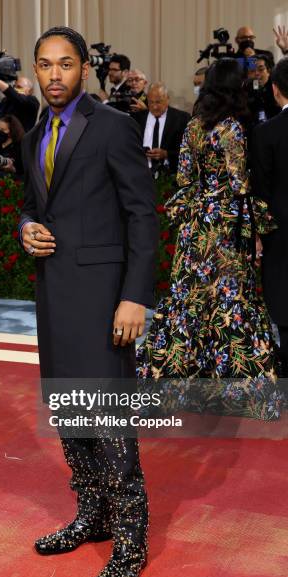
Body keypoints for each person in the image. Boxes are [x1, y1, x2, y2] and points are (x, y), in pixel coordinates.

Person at [18, 26, 158, 577]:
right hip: (54, 295)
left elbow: (142, 216)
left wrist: (135, 295)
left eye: (66, 64)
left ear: (83, 69)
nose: (55, 75)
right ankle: (93, 515)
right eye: (46, 65)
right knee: (70, 414)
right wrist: (25, 228)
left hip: (104, 299)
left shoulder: (114, 127)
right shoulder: (32, 136)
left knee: (108, 419)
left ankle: (131, 538)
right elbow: (29, 206)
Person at [137, 58, 281, 420]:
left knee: (190, 300)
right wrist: (255, 230)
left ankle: (176, 385)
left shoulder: (192, 127)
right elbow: (239, 184)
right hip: (224, 225)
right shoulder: (231, 128)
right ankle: (235, 390)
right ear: (235, 87)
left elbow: (184, 178)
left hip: (194, 224)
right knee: (230, 303)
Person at [251, 57, 288, 377]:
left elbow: (259, 193)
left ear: (275, 90)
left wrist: (258, 236)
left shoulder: (266, 133)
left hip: (281, 236)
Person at [136, 82, 190, 176]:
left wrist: (167, 154)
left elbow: (188, 150)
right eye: (151, 102)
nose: (154, 106)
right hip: (141, 174)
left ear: (167, 99)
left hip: (170, 176)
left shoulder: (182, 119)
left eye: (158, 102)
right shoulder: (137, 119)